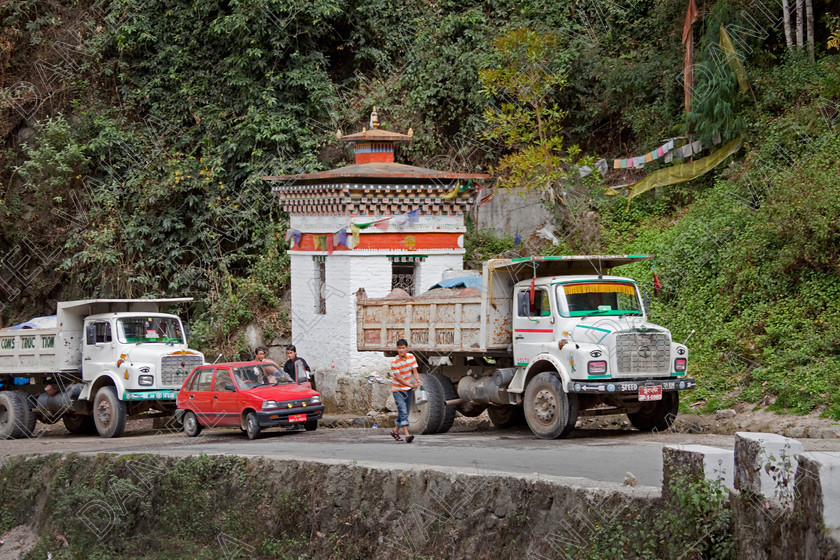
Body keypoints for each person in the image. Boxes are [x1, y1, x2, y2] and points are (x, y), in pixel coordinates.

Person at [389, 338, 422, 443]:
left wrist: (418, 380)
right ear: (397, 349)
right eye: (399, 348)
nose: (401, 350)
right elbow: (399, 378)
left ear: (407, 348)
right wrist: (411, 385)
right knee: (403, 410)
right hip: (398, 390)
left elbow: (414, 371)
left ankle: (395, 431)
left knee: (405, 413)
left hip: (407, 390)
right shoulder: (394, 362)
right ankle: (407, 435)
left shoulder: (411, 357)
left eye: (403, 348)